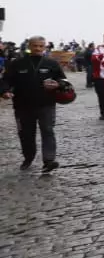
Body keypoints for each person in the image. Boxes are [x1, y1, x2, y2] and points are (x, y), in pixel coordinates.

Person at [1, 35, 67, 172]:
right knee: (26, 134)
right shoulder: (17, 63)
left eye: (40, 46)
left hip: (46, 104)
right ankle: (28, 157)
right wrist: (5, 91)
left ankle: (49, 160)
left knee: (48, 131)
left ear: (45, 47)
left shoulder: (52, 63)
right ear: (29, 46)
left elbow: (63, 80)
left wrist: (58, 84)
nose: (37, 48)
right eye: (35, 46)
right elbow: (5, 80)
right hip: (22, 105)